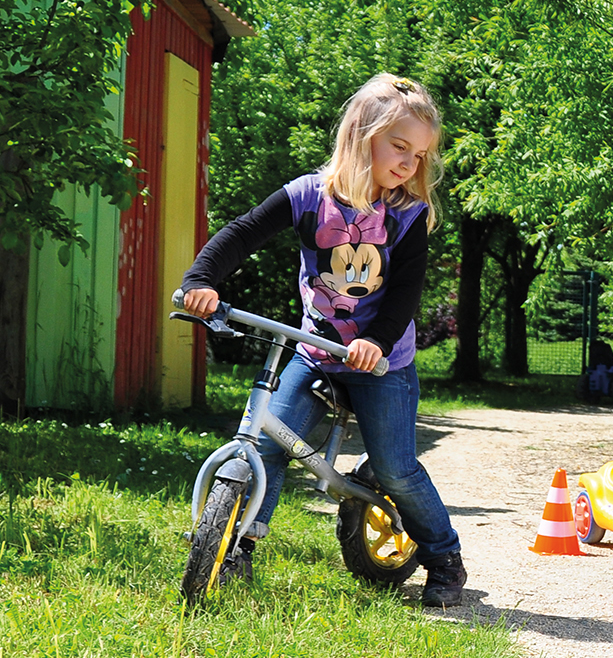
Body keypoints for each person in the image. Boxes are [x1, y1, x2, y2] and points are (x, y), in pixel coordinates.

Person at [178, 73, 468, 607]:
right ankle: (235, 548)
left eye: (419, 155)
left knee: (397, 468)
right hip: (317, 350)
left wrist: (377, 342)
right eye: (399, 146)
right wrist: (201, 281)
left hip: (382, 362)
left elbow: (405, 292)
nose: (409, 163)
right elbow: (242, 232)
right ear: (362, 135)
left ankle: (444, 557)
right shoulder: (309, 196)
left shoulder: (406, 214)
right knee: (266, 442)